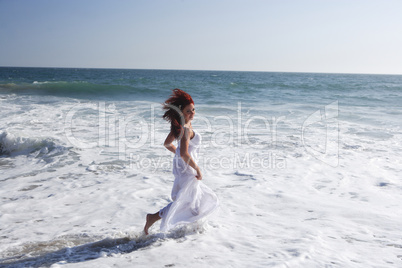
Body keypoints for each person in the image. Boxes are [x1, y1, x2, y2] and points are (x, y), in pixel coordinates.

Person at [143, 89, 219, 235]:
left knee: (192, 200)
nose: (192, 113)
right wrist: (197, 169)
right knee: (189, 201)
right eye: (188, 111)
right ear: (181, 112)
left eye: (193, 110)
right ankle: (153, 218)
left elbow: (168, 144)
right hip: (188, 169)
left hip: (183, 167)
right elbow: (184, 153)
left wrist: (178, 154)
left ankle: (193, 227)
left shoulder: (182, 126)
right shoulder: (184, 129)